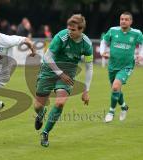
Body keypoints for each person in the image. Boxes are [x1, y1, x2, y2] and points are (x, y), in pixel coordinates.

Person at [34, 14, 93, 147]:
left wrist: (86, 90)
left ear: (81, 29)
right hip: (50, 69)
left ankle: (45, 132)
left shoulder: (87, 44)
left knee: (60, 103)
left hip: (68, 73)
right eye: (69, 28)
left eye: (73, 30)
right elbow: (47, 57)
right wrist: (59, 73)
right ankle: (41, 113)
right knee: (37, 106)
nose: (70, 31)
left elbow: (89, 67)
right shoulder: (62, 36)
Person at [100, 11, 143, 123]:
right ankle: (124, 106)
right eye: (121, 19)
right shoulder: (113, 31)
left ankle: (111, 111)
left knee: (115, 87)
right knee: (116, 89)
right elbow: (103, 41)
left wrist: (140, 55)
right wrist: (102, 52)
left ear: (131, 21)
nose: (123, 21)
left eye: (126, 19)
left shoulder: (136, 33)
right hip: (112, 65)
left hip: (127, 66)